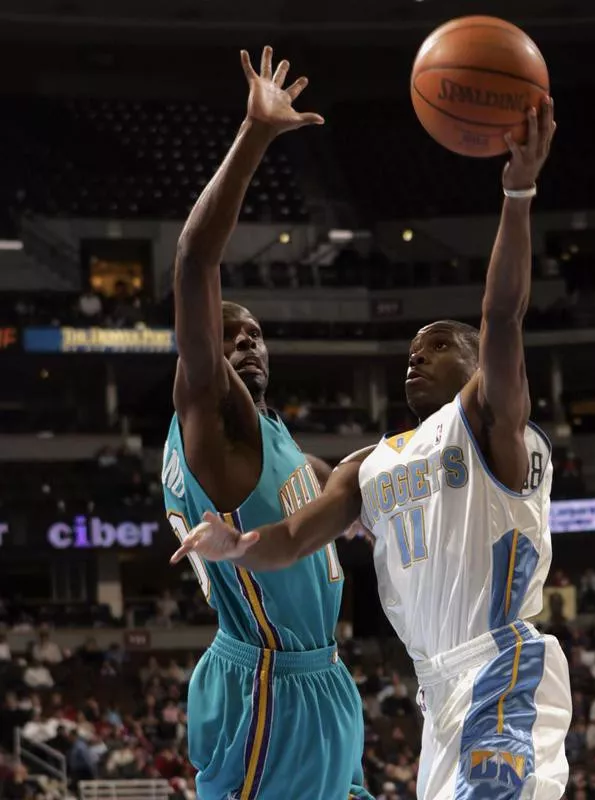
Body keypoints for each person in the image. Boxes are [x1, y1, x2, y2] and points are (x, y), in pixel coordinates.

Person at [175, 98, 570, 800]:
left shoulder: (490, 418)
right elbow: (292, 537)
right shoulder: (367, 465)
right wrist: (238, 547)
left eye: (439, 346)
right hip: (430, 693)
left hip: (500, 670)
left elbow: (503, 314)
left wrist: (517, 192)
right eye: (411, 352)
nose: (416, 357)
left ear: (482, 365)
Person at [161, 46, 371, 800]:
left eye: (255, 333)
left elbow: (339, 487)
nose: (245, 340)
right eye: (229, 333)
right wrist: (254, 134)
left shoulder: (274, 437)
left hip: (320, 682)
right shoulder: (211, 413)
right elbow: (192, 261)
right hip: (270, 688)